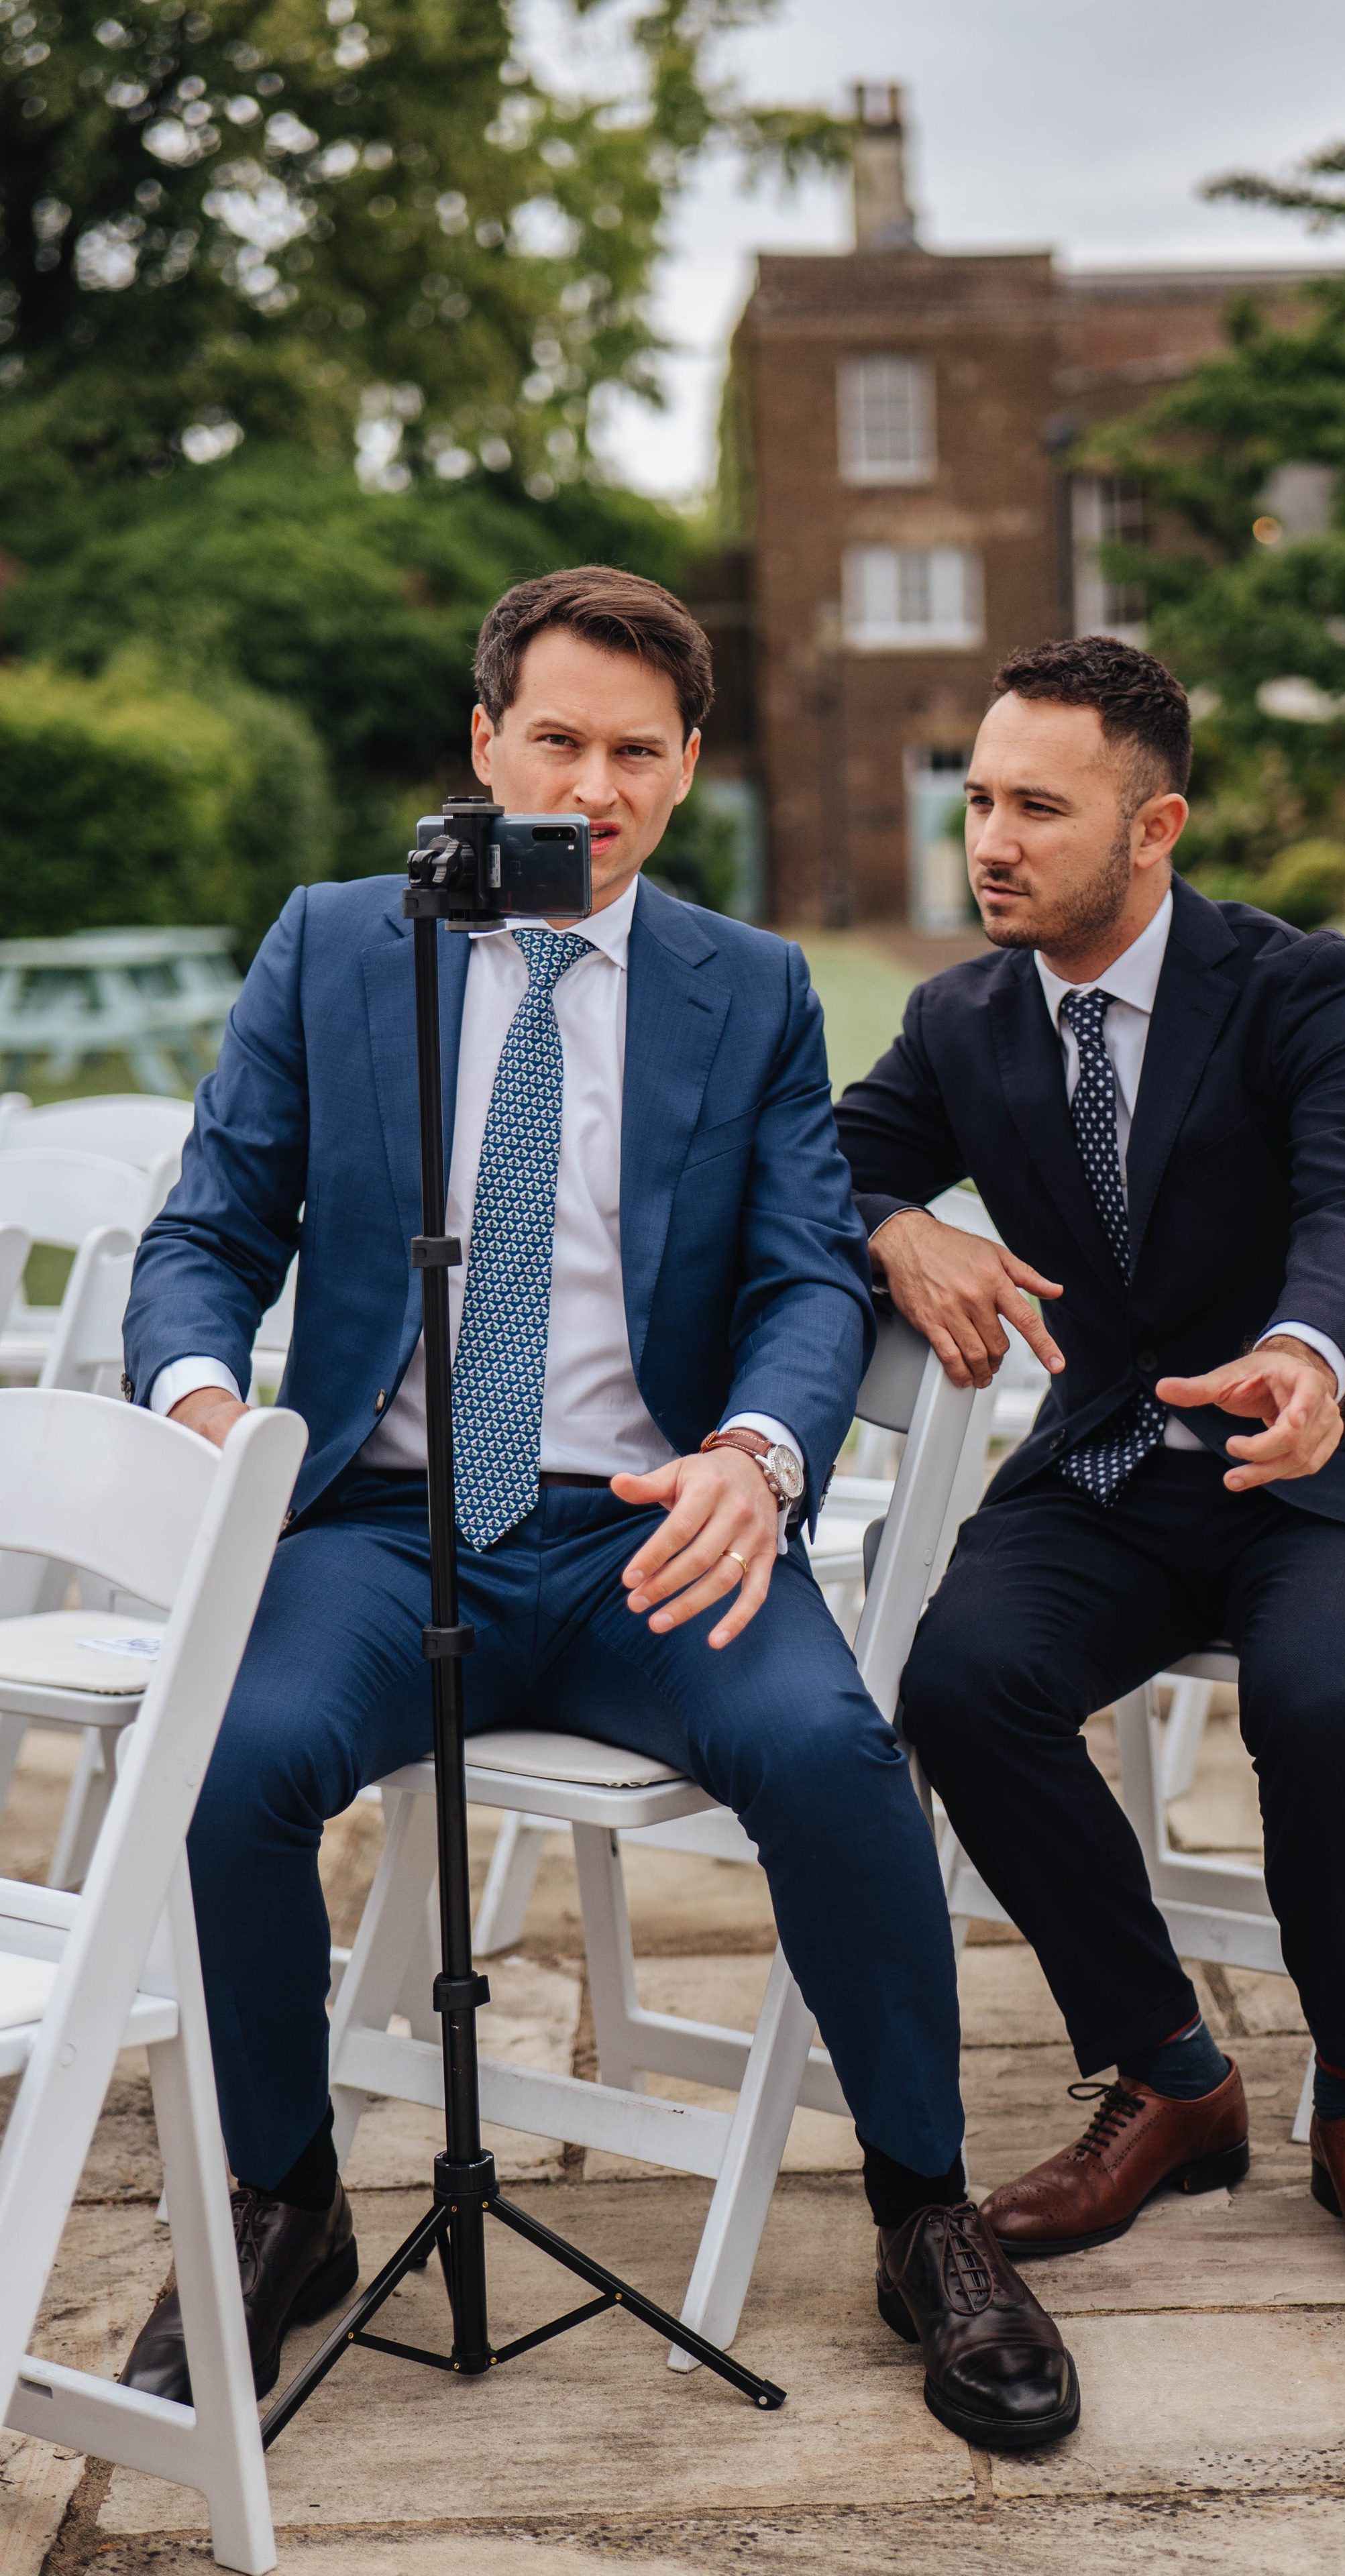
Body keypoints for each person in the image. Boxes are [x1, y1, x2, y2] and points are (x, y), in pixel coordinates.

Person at [118, 567, 1079, 2451]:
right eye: (555, 738)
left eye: (638, 751)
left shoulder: (754, 987)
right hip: (392, 1529)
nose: (594, 783)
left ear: (688, 766)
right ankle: (283, 2195)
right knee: (226, 1767)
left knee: (834, 1754)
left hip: (657, 1521)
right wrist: (213, 1414)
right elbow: (205, 1230)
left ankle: (923, 2208)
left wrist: (759, 1457)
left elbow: (813, 1275)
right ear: (485, 745)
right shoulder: (336, 947)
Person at [835, 635, 1345, 2308]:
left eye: (1038, 808)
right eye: (978, 799)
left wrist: (1309, 1353)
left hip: (1325, 1458)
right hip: (1115, 1458)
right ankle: (1168, 2072)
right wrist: (901, 1222)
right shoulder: (960, 1018)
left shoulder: (1300, 986)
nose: (989, 839)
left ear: (1156, 825)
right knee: (957, 1681)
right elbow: (824, 1158)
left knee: (1320, 1699)